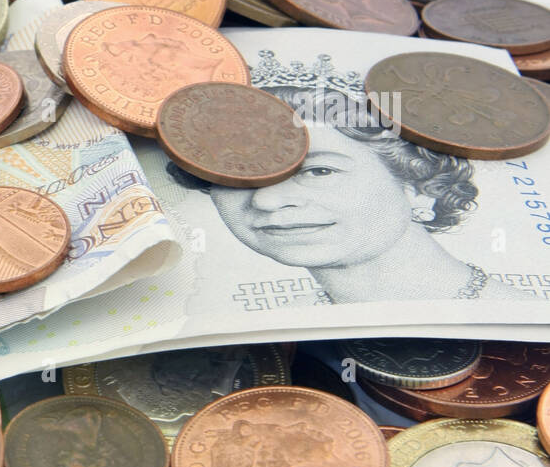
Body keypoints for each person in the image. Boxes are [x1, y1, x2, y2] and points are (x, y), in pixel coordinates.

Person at [169, 84, 529, 303]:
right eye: (237, 177)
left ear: (419, 187)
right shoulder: (290, 333)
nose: (266, 201)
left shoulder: (523, 318)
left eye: (319, 170)